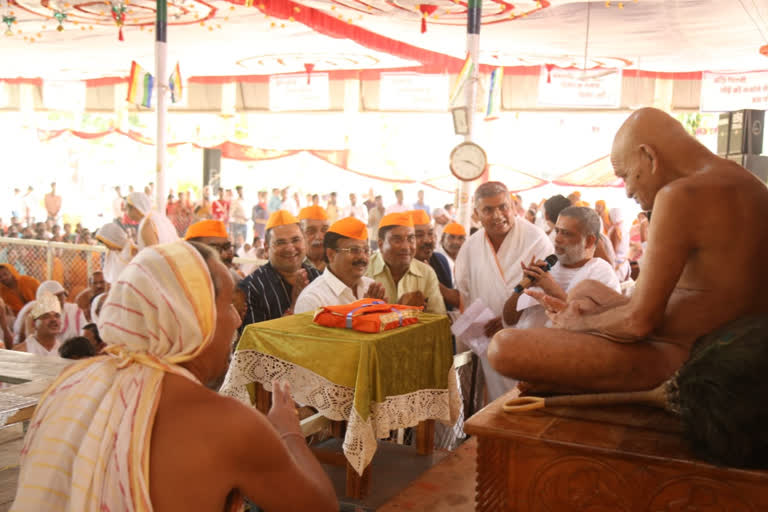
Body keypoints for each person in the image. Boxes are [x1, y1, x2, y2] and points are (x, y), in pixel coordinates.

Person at [11, 241, 338, 511]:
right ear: (193, 318)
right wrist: (289, 433)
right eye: (228, 306)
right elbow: (320, 507)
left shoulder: (70, 386)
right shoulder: (227, 424)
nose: (236, 322)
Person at [489, 107, 768, 393]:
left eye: (626, 175)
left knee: (503, 347)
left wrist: (581, 323)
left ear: (649, 156)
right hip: (718, 348)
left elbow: (639, 322)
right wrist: (587, 316)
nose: (626, 191)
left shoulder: (681, 195)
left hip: (685, 359)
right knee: (586, 290)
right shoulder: (752, 185)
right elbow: (683, 303)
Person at [454, 181, 553, 400]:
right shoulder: (471, 246)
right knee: (493, 402)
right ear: (477, 214)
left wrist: (507, 319)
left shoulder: (536, 239)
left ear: (513, 206)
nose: (498, 215)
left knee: (524, 399)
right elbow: (465, 291)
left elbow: (546, 287)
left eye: (503, 207)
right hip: (487, 339)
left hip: (526, 334)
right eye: (488, 210)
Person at [503, 206, 620, 330]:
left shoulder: (601, 273)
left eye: (566, 233)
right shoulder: (546, 268)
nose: (557, 239)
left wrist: (552, 289)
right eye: (557, 231)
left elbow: (596, 327)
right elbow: (509, 319)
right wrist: (522, 288)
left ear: (589, 241)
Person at [238, 211, 321, 325]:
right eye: (280, 242)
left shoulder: (319, 278)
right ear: (267, 248)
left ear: (305, 242)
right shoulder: (251, 288)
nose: (290, 248)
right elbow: (254, 339)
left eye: (296, 240)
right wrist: (294, 306)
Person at [295, 217, 385, 314]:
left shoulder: (370, 286)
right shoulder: (312, 299)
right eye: (354, 250)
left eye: (366, 251)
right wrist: (363, 313)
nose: (362, 257)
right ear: (331, 254)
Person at [366, 212, 446, 314]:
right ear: (381, 245)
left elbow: (439, 321)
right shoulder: (365, 271)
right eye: (397, 240)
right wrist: (403, 313)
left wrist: (421, 314)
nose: (405, 246)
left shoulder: (427, 273)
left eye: (410, 239)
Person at [411, 210, 458, 311]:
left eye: (430, 233)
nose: (428, 240)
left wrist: (431, 278)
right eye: (419, 235)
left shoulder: (441, 260)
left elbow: (452, 303)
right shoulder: (402, 267)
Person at [298, 205, 330, 272]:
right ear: (300, 234)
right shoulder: (292, 263)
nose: (319, 237)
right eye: (311, 231)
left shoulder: (339, 263)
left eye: (324, 230)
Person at [607, 207, 631, 281]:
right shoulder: (624, 227)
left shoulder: (614, 230)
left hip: (617, 267)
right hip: (624, 264)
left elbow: (613, 252)